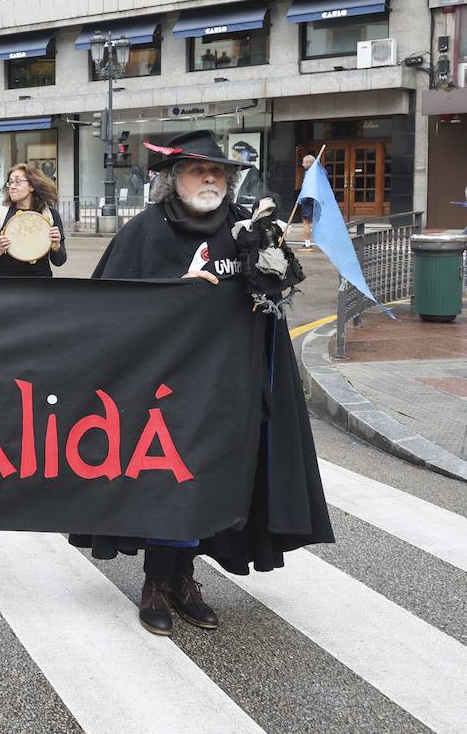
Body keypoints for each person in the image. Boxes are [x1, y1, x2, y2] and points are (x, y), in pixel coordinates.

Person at [70, 129, 334, 636]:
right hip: (163, 393)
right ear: (174, 179)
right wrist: (175, 294)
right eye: (198, 170)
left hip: (233, 388)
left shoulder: (245, 227)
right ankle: (156, 583)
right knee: (168, 482)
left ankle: (185, 578)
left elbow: (275, 298)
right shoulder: (145, 233)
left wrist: (275, 261)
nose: (211, 177)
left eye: (219, 172)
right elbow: (106, 308)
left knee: (218, 482)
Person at [0, 164, 67, 278]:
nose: (12, 186)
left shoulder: (49, 215)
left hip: (41, 284)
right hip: (5, 285)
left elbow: (60, 261)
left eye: (18, 182)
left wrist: (56, 246)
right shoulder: (0, 214)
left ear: (32, 186)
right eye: (10, 182)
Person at [298, 153, 317, 250]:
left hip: (308, 200)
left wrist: (302, 199)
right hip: (314, 200)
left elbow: (307, 188)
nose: (302, 164)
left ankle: (307, 244)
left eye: (304, 162)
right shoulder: (318, 173)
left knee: (306, 222)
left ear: (309, 163)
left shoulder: (310, 173)